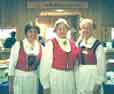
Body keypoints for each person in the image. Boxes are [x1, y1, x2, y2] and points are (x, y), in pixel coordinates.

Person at [40, 18, 80, 94]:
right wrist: (46, 85)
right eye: (59, 29)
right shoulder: (51, 44)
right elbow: (45, 65)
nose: (62, 31)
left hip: (70, 77)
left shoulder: (72, 43)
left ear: (67, 30)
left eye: (64, 29)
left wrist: (77, 81)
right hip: (56, 77)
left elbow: (76, 64)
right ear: (55, 31)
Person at [8, 23, 42, 94]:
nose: (33, 34)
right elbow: (11, 66)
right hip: (20, 79)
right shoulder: (18, 45)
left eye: (35, 32)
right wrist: (10, 86)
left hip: (33, 80)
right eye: (30, 31)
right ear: (26, 33)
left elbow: (40, 67)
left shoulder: (40, 47)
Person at [75, 18, 106, 94]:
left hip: (93, 76)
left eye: (88, 28)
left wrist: (98, 83)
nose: (85, 30)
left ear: (92, 30)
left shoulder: (97, 45)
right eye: (83, 28)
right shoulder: (79, 44)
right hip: (81, 76)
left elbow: (101, 66)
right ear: (81, 30)